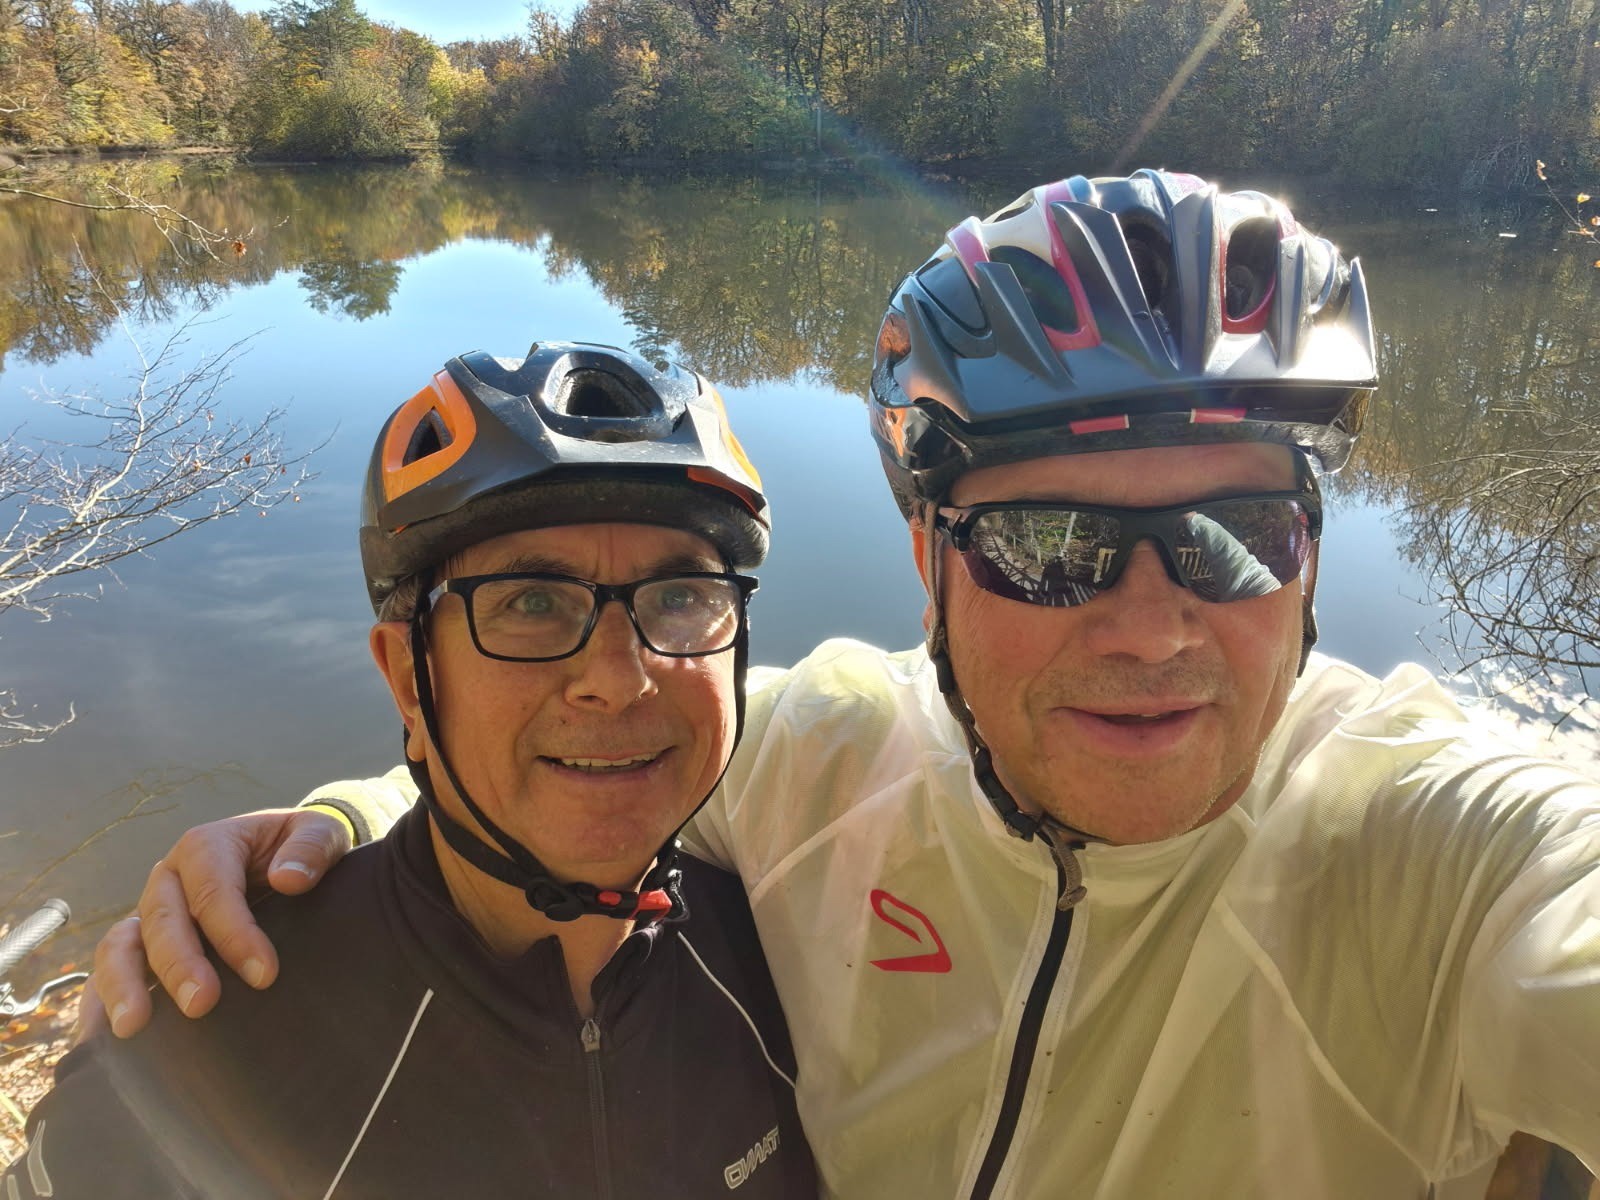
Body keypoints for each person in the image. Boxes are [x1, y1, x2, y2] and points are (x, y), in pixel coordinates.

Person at [90, 171, 1599, 1198]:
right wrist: (330, 834)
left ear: (1310, 560)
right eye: (1051, 545)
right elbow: (581, 761)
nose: (1152, 629)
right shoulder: (830, 754)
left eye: (1234, 536)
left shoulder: (1435, 851)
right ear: (929, 560)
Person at [5, 342, 816, 1197]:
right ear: (407, 679)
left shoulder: (787, 949)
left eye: (681, 596)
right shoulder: (206, 1040)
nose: (619, 681)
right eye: (533, 602)